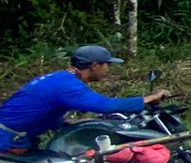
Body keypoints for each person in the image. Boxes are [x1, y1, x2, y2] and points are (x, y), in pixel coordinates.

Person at [0, 47, 169, 154]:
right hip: (8, 141)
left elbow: (40, 107)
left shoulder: (61, 78)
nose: (108, 69)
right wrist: (147, 99)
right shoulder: (67, 86)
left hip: (16, 137)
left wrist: (69, 122)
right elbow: (105, 105)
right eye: (107, 64)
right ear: (95, 66)